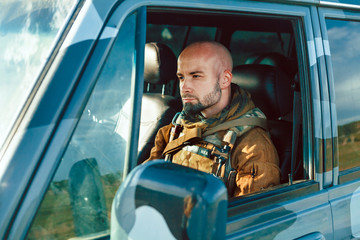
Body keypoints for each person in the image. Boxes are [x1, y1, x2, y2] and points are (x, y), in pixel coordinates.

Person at [146, 41, 280, 197]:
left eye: (196, 76)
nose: (184, 87)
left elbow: (249, 216)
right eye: (181, 77)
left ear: (224, 79)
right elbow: (146, 183)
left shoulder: (252, 145)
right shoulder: (177, 126)